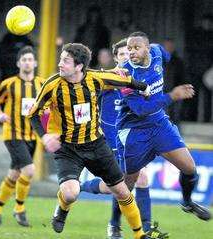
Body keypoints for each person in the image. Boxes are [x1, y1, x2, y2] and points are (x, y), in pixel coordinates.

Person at [28, 43, 161, 239]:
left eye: (65, 60)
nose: (60, 64)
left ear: (79, 66)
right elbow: (33, 114)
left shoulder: (96, 79)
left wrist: (144, 88)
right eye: (61, 59)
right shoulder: (52, 84)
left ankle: (139, 234)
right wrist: (45, 136)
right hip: (67, 149)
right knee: (71, 193)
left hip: (96, 145)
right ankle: (62, 209)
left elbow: (124, 80)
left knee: (123, 192)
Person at [116, 31, 211, 222]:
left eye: (136, 48)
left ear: (147, 48)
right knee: (128, 184)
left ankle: (187, 202)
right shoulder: (126, 75)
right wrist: (171, 96)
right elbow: (140, 109)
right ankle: (115, 224)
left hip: (159, 125)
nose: (131, 52)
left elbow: (166, 54)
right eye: (129, 49)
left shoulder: (158, 52)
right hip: (135, 131)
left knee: (190, 169)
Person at [80, 39, 153, 239]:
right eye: (121, 54)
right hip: (110, 140)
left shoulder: (137, 78)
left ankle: (143, 228)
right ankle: (115, 224)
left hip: (135, 138)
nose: (126, 57)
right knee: (120, 185)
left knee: (139, 180)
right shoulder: (105, 79)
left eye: (128, 54)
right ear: (115, 58)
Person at [0, 46, 44, 226]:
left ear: (35, 63)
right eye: (24, 60)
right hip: (13, 134)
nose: (27, 62)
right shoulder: (9, 83)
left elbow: (48, 107)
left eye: (30, 59)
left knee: (14, 174)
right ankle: (19, 209)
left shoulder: (42, 84)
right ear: (18, 63)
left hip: (32, 136)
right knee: (29, 170)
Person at [163, 38, 185, 126]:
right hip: (163, 92)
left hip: (176, 91)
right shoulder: (159, 60)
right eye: (166, 46)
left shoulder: (178, 62)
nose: (168, 48)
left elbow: (182, 77)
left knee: (175, 115)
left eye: (170, 46)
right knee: (164, 115)